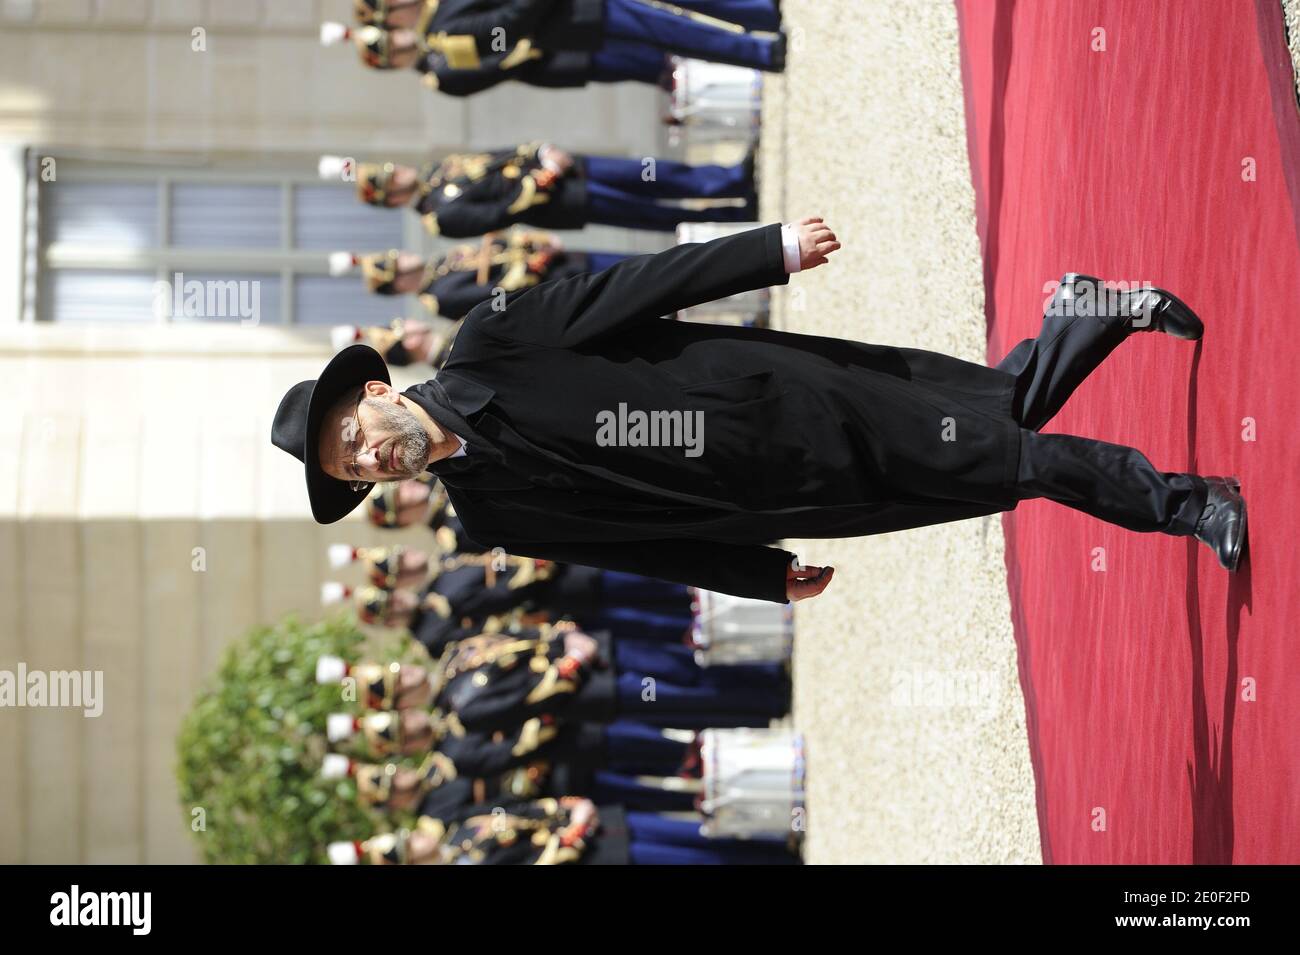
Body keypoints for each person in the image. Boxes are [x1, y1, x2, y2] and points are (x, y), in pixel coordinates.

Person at [271, 220, 1247, 605]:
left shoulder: (491, 342)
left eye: (354, 438)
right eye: (353, 471)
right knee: (985, 425)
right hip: (789, 490)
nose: (368, 459)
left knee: (999, 460)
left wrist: (766, 250)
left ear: (375, 391)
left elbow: (630, 288)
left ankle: (1185, 502)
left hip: (772, 398)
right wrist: (760, 576)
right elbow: (643, 548)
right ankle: (1082, 312)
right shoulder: (489, 516)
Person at [320, 0, 785, 96]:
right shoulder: (443, 33)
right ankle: (762, 55)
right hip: (573, 17)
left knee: (674, 16)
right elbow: (505, 25)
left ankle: (759, 12)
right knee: (675, 33)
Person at [319, 144, 756, 237]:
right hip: (556, 198)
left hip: (562, 168)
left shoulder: (440, 168)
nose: (398, 171)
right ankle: (735, 215)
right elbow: (498, 214)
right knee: (651, 212)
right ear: (390, 199)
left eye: (391, 167)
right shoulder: (439, 216)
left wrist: (538, 150)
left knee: (653, 173)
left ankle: (729, 180)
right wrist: (538, 179)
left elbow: (496, 155)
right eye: (389, 180)